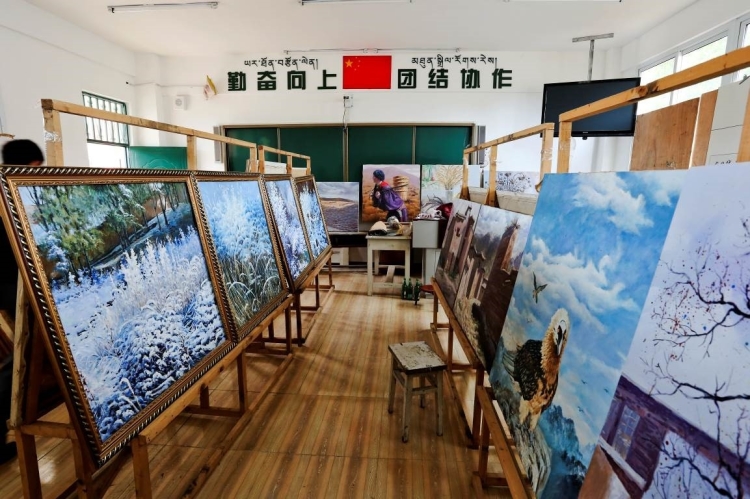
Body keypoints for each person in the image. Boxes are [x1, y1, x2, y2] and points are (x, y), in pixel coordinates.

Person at [0, 139, 45, 464]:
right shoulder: (8, 197)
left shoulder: (14, 195)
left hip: (16, 284)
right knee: (22, 357)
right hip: (11, 286)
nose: (38, 174)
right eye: (35, 168)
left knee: (25, 354)